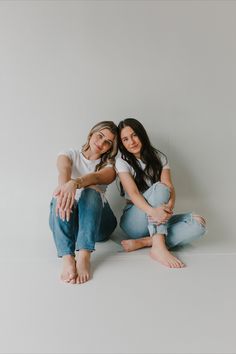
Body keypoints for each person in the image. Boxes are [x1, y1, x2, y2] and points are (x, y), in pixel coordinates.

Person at [116, 118, 206, 268]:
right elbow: (133, 194)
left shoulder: (160, 157)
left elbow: (170, 187)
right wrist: (153, 211)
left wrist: (169, 207)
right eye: (125, 139)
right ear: (122, 144)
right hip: (134, 220)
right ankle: (158, 247)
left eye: (134, 135)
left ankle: (146, 242)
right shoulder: (122, 161)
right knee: (160, 188)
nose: (131, 142)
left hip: (157, 218)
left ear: (141, 134)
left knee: (199, 224)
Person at [49, 121, 118, 284]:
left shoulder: (110, 166)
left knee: (91, 190)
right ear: (91, 134)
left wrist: (76, 183)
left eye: (107, 142)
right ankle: (67, 257)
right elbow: (64, 169)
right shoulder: (69, 154)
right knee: (59, 194)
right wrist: (66, 188)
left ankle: (84, 256)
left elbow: (97, 177)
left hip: (100, 226)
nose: (101, 143)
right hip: (72, 225)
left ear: (110, 148)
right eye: (100, 136)